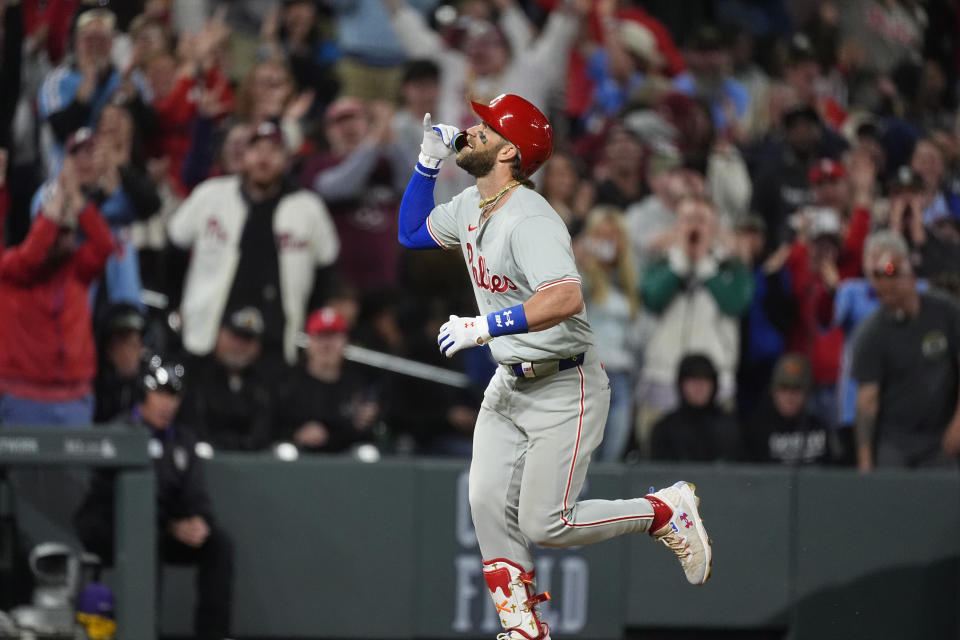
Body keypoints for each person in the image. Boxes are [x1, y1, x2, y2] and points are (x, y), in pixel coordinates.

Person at [397, 94, 711, 640]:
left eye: (486, 127)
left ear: (510, 150)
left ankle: (662, 512)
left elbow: (565, 297)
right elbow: (412, 232)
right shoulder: (474, 204)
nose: (469, 131)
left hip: (567, 383)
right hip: (510, 383)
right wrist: (427, 164)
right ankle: (523, 628)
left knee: (548, 524)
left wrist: (483, 327)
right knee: (486, 504)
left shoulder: (531, 218)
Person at [74, 356, 235, 640]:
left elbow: (194, 493)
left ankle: (213, 633)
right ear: (144, 393)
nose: (167, 404)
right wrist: (172, 524)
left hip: (163, 527)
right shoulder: (120, 433)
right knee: (147, 539)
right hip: (114, 525)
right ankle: (145, 631)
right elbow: (113, 498)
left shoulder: (183, 440)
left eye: (173, 396)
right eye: (160, 394)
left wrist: (199, 520)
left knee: (219, 544)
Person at [168, 120, 340, 370]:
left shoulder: (308, 208)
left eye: (274, 151)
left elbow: (326, 272)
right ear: (244, 155)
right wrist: (176, 306)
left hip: (274, 344)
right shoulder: (211, 195)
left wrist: (304, 326)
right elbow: (174, 248)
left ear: (287, 160)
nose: (264, 158)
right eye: (257, 149)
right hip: (208, 334)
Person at [0, 151, 113, 427]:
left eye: (68, 231)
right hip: (22, 396)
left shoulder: (77, 270)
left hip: (75, 398)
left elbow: (104, 246)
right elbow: (31, 258)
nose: (64, 239)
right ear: (38, 226)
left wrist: (77, 200)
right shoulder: (12, 268)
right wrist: (52, 215)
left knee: (74, 472)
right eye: (56, 230)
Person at [638, 195, 754, 450]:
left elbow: (735, 304)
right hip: (662, 379)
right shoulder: (661, 263)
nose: (694, 227)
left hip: (715, 386)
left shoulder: (730, 266)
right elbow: (652, 299)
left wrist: (704, 263)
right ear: (676, 226)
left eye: (701, 220)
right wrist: (679, 263)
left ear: (714, 228)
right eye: (688, 220)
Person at [852, 232, 960, 470]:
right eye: (879, 282)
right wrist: (865, 459)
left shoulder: (945, 312)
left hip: (941, 434)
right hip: (896, 439)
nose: (885, 286)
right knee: (892, 498)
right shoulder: (871, 333)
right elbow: (867, 401)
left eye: (892, 276)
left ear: (911, 277)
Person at [276, 307, 381, 453]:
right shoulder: (287, 382)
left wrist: (365, 423)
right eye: (320, 336)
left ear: (345, 341)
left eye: (333, 336)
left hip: (345, 464)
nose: (326, 344)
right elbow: (269, 428)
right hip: (297, 462)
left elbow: (370, 435)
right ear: (308, 341)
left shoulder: (357, 384)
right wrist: (296, 435)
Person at [177, 307, 276, 452]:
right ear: (218, 333)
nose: (240, 346)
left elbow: (263, 433)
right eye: (235, 336)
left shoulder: (263, 383)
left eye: (248, 339)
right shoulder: (196, 375)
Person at [743, 353, 832, 465]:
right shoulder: (756, 431)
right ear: (773, 391)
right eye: (784, 388)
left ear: (808, 392)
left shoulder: (820, 429)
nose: (789, 397)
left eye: (796, 389)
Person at [650, 353, 741, 462]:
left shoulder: (731, 429)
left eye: (705, 379)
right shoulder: (664, 430)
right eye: (692, 379)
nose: (699, 386)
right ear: (680, 384)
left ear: (715, 384)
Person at [93, 303, 146, 424]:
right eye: (124, 344)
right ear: (108, 349)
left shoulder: (147, 390)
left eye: (136, 345)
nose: (130, 354)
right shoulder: (92, 388)